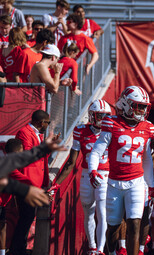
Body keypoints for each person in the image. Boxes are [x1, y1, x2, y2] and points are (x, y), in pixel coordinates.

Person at [88, 86, 154, 255]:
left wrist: (153, 185)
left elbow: (148, 160)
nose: (143, 110)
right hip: (114, 182)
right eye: (139, 105)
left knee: (134, 223)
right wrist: (92, 170)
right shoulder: (111, 123)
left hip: (136, 182)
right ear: (126, 104)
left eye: (144, 106)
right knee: (113, 226)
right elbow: (96, 151)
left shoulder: (149, 127)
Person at [53, 99, 111, 255]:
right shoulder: (80, 131)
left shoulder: (112, 131)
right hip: (86, 175)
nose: (103, 120)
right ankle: (92, 247)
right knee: (89, 212)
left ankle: (100, 249)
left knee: (102, 212)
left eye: (106, 116)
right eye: (100, 116)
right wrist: (56, 184)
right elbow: (71, 162)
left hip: (105, 175)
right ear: (92, 116)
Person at [8, 110, 53, 255]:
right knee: (25, 217)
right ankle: (16, 249)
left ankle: (19, 248)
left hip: (35, 182)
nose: (48, 125)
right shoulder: (24, 132)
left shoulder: (37, 134)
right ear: (41, 122)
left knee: (27, 218)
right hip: (27, 184)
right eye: (47, 122)